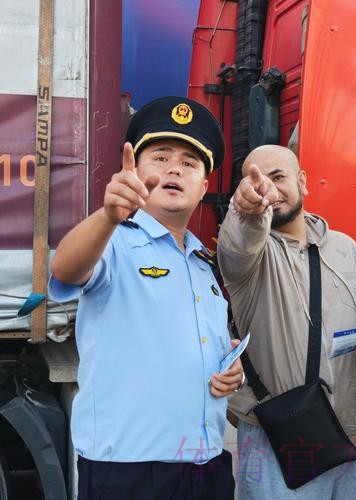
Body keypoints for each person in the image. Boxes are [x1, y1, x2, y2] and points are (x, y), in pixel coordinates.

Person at [49, 96, 242, 500]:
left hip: (205, 465)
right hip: (130, 473)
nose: (175, 168)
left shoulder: (203, 265)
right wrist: (108, 216)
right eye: (161, 157)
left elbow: (201, 346)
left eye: (190, 163)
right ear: (135, 171)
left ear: (204, 187)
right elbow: (65, 269)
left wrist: (230, 369)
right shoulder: (114, 242)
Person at [217, 144, 356, 499]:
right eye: (256, 181)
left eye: (278, 177)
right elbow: (239, 241)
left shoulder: (347, 249)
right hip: (279, 440)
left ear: (302, 181)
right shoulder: (249, 254)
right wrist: (244, 210)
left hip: (354, 437)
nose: (269, 189)